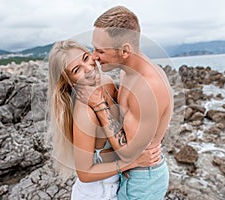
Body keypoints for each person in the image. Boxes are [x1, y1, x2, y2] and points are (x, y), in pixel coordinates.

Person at [75, 6, 174, 200]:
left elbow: (129, 154)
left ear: (125, 50)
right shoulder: (126, 72)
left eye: (100, 50)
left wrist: (98, 106)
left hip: (142, 181)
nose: (94, 56)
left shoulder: (149, 88)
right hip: (133, 173)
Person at [47, 40, 161, 200]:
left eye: (86, 58)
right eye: (76, 69)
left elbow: (127, 119)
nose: (88, 69)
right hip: (96, 195)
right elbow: (84, 173)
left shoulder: (106, 83)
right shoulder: (84, 112)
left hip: (119, 189)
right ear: (71, 82)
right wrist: (133, 162)